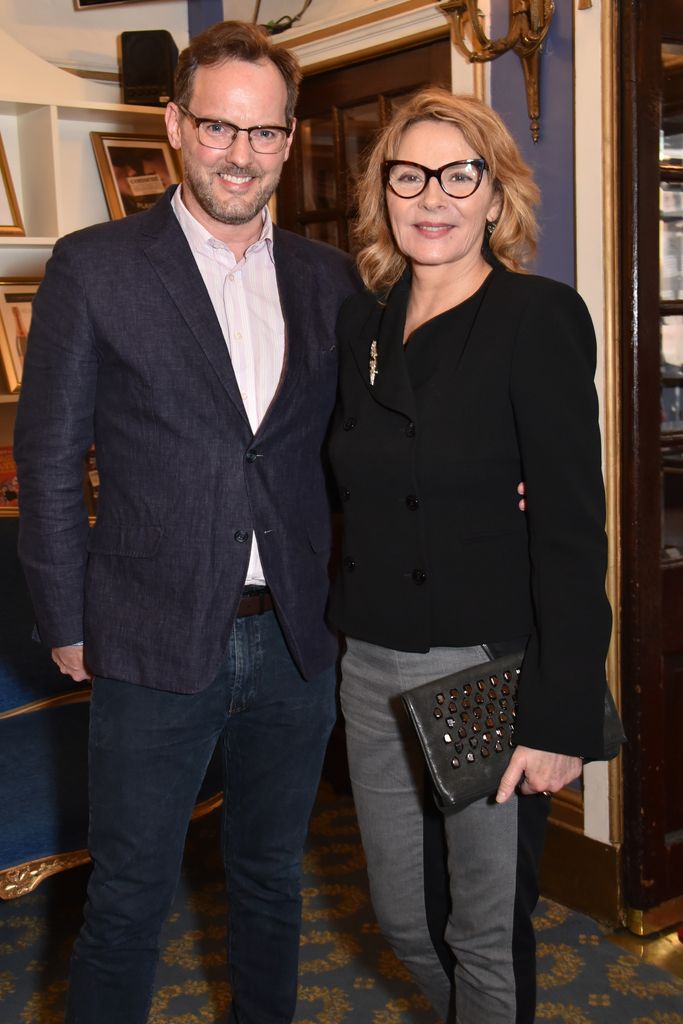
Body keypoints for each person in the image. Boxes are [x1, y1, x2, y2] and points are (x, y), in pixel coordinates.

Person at [14, 20, 359, 1024]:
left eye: (262, 133)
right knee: (127, 901)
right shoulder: (95, 266)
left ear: (289, 140)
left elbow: (356, 446)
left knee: (268, 881)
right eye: (216, 127)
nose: (238, 155)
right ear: (173, 125)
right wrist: (68, 622)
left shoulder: (326, 278)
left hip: (296, 645)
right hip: (149, 639)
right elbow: (46, 458)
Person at [327, 87, 613, 1024]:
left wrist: (561, 716)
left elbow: (572, 530)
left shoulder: (537, 317)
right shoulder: (361, 327)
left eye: (460, 174)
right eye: (409, 175)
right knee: (404, 918)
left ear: (495, 196)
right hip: (369, 662)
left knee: (483, 932)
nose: (432, 196)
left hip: (484, 667)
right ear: (384, 193)